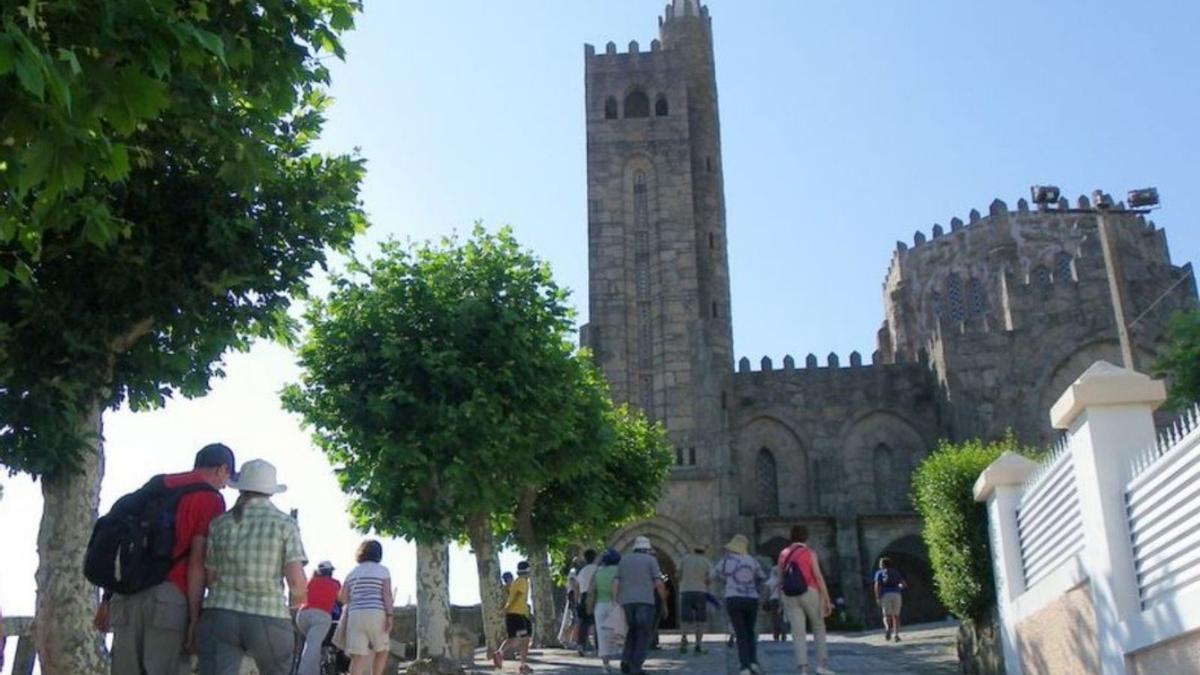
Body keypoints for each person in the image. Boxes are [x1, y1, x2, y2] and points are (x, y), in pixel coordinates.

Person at [100, 443, 235, 675]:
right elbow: (196, 563)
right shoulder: (210, 499)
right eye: (228, 477)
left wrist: (106, 599)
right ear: (222, 469)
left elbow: (124, 544)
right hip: (169, 598)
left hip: (125, 594)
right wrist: (195, 618)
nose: (225, 484)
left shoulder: (159, 484)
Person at [198, 459, 307, 675]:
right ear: (271, 491)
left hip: (220, 614)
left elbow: (210, 578)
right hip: (269, 616)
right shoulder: (285, 524)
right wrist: (298, 602)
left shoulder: (219, 523)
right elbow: (296, 582)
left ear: (241, 488)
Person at [777, 525, 833, 675]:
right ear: (805, 537)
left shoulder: (783, 553)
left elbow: (780, 579)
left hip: (789, 595)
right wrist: (827, 599)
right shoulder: (809, 552)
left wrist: (781, 600)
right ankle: (822, 666)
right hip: (810, 591)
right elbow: (818, 576)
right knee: (818, 628)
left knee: (798, 633)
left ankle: (803, 669)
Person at [710, 534, 766, 675]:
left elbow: (713, 575)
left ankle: (744, 666)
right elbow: (762, 577)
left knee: (740, 633)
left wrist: (727, 581)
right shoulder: (752, 561)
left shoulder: (726, 560)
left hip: (734, 598)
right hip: (751, 599)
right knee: (750, 632)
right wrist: (755, 590)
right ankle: (753, 662)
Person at [337, 540, 394, 675]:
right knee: (382, 649)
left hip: (355, 615)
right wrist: (390, 615)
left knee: (358, 656)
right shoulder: (383, 571)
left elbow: (343, 597)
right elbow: (386, 594)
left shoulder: (352, 573)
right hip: (376, 613)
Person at [614, 536, 668, 675]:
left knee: (632, 631)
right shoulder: (651, 560)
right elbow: (659, 583)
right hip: (645, 601)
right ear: (647, 549)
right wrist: (664, 601)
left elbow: (616, 582)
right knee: (643, 634)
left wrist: (615, 600)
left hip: (627, 602)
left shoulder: (624, 560)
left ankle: (626, 660)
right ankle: (636, 666)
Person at [297, 560, 341, 675]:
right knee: (312, 647)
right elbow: (341, 600)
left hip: (302, 616)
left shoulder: (311, 582)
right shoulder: (335, 584)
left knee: (314, 646)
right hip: (321, 617)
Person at [588, 548, 625, 673]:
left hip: (600, 606)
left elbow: (591, 590)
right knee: (620, 633)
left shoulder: (598, 572)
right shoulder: (619, 570)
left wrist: (589, 606)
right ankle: (623, 661)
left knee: (602, 635)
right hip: (616, 605)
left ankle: (605, 665)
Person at [494, 560, 533, 673]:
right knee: (524, 639)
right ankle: (523, 665)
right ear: (527, 571)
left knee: (515, 638)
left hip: (518, 615)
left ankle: (500, 653)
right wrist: (508, 607)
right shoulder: (522, 581)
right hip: (517, 614)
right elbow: (517, 596)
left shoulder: (517, 581)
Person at [676, 546, 711, 654]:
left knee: (685, 618)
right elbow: (709, 579)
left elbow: (678, 575)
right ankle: (698, 644)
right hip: (700, 591)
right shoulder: (706, 562)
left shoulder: (684, 559)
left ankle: (684, 637)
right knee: (700, 619)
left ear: (693, 550)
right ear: (704, 551)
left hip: (686, 591)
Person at [874, 557, 908, 642]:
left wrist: (878, 597)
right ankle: (896, 635)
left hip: (885, 594)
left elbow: (877, 586)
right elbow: (903, 584)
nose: (879, 565)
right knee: (896, 616)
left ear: (883, 565)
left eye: (880, 563)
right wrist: (898, 588)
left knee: (886, 615)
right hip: (896, 594)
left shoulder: (879, 573)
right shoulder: (896, 572)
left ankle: (887, 628)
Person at [575, 549, 599, 655]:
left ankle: (581, 645)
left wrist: (577, 600)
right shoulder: (598, 569)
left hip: (584, 596)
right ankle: (599, 646)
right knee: (598, 621)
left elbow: (576, 586)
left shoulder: (582, 571)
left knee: (584, 623)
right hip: (595, 595)